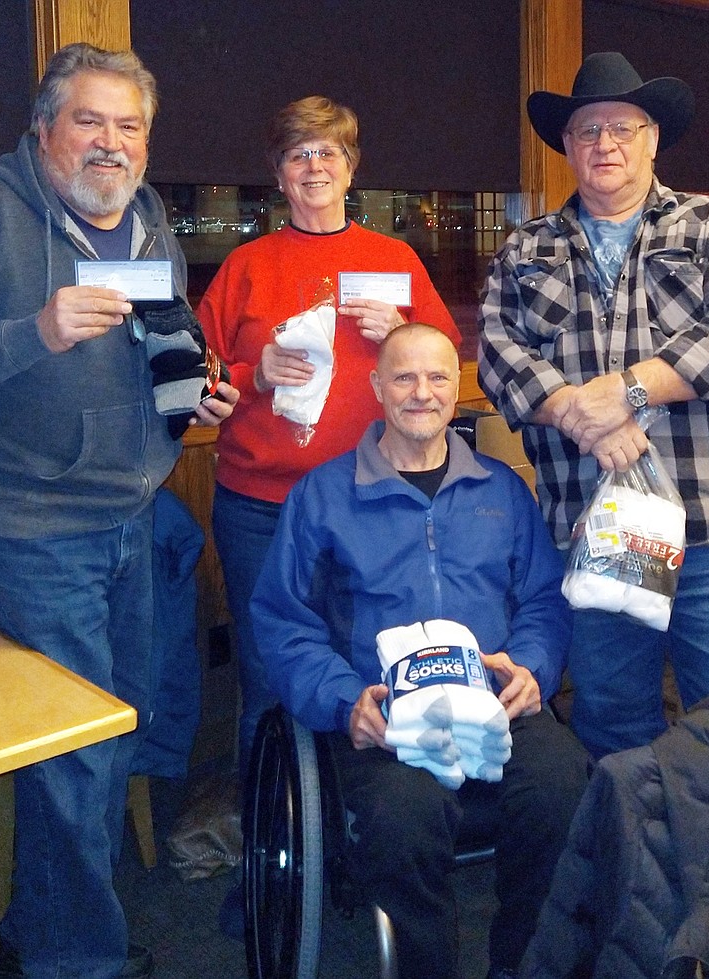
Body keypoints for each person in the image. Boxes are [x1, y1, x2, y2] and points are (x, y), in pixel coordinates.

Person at [0, 43, 238, 979]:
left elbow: (168, 330)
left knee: (113, 730)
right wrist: (33, 332)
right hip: (35, 527)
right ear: (43, 132)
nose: (111, 144)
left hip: (136, 508)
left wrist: (198, 387)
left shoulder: (147, 213)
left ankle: (40, 925)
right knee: (78, 757)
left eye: (130, 127)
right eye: (90, 121)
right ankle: (73, 958)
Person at [253, 323, 591, 979]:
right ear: (377, 387)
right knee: (403, 819)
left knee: (563, 786)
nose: (421, 391)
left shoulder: (500, 489)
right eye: (403, 376)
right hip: (387, 719)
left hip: (497, 703)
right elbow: (283, 617)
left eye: (438, 376)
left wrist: (534, 667)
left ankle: (525, 966)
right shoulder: (324, 496)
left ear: (454, 389)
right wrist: (343, 700)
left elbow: (544, 600)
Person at [478, 52, 709, 758]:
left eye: (622, 127)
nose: (604, 144)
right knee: (613, 720)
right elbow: (497, 352)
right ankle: (634, 862)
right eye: (587, 131)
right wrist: (581, 414)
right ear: (568, 145)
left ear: (652, 139)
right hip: (595, 534)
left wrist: (629, 389)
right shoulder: (528, 248)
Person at [195, 96, 460, 776]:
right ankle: (272, 834)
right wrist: (254, 375)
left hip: (369, 502)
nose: (313, 166)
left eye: (327, 153)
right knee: (266, 670)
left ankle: (359, 819)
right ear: (279, 176)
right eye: (297, 154)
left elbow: (444, 360)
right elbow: (197, 376)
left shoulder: (393, 259)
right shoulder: (246, 265)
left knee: (369, 657)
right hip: (259, 506)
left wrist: (399, 332)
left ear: (351, 170)